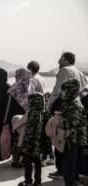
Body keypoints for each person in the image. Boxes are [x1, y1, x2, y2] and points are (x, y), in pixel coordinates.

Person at [47, 52, 88, 180]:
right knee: (72, 142)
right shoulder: (78, 71)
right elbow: (85, 87)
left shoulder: (64, 70)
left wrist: (48, 107)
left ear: (66, 60)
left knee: (61, 138)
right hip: (76, 104)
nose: (59, 61)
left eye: (61, 59)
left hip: (62, 105)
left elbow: (57, 90)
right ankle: (72, 171)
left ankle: (62, 170)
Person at [59, 79, 87, 186]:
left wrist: (61, 123)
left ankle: (70, 181)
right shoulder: (69, 101)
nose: (63, 92)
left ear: (70, 90)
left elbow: (73, 123)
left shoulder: (74, 103)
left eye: (65, 90)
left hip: (73, 137)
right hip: (72, 137)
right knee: (70, 159)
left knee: (70, 160)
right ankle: (72, 179)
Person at [18, 93, 47, 186]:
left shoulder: (30, 113)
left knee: (28, 162)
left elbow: (21, 126)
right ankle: (38, 181)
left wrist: (20, 144)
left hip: (29, 142)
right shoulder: (45, 113)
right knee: (37, 163)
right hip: (40, 143)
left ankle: (28, 181)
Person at [7, 68, 30, 167]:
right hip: (28, 115)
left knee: (17, 137)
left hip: (15, 116)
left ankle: (16, 158)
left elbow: (8, 103)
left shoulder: (14, 87)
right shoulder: (30, 85)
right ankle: (23, 159)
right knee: (25, 137)